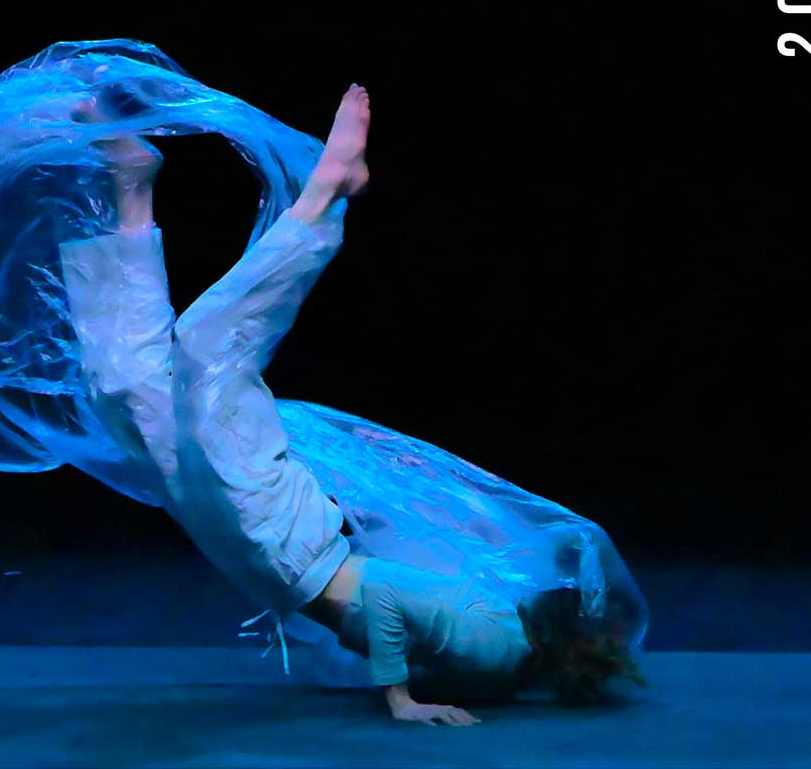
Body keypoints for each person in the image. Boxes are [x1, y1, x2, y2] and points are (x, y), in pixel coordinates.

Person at [58, 85, 644, 725]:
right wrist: (400, 699)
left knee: (123, 388)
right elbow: (386, 592)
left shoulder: (503, 663)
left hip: (277, 555)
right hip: (287, 543)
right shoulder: (501, 648)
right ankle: (325, 196)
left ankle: (132, 184)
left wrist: (406, 684)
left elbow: (394, 607)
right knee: (207, 349)